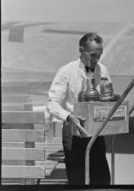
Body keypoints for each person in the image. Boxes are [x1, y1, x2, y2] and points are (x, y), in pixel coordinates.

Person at [46, 33, 111, 185]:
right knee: (77, 181)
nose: (96, 59)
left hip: (95, 133)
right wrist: (70, 117)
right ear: (81, 50)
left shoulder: (103, 70)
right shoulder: (67, 71)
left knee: (102, 180)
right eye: (93, 55)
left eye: (99, 55)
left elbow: (108, 97)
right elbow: (52, 103)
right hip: (73, 133)